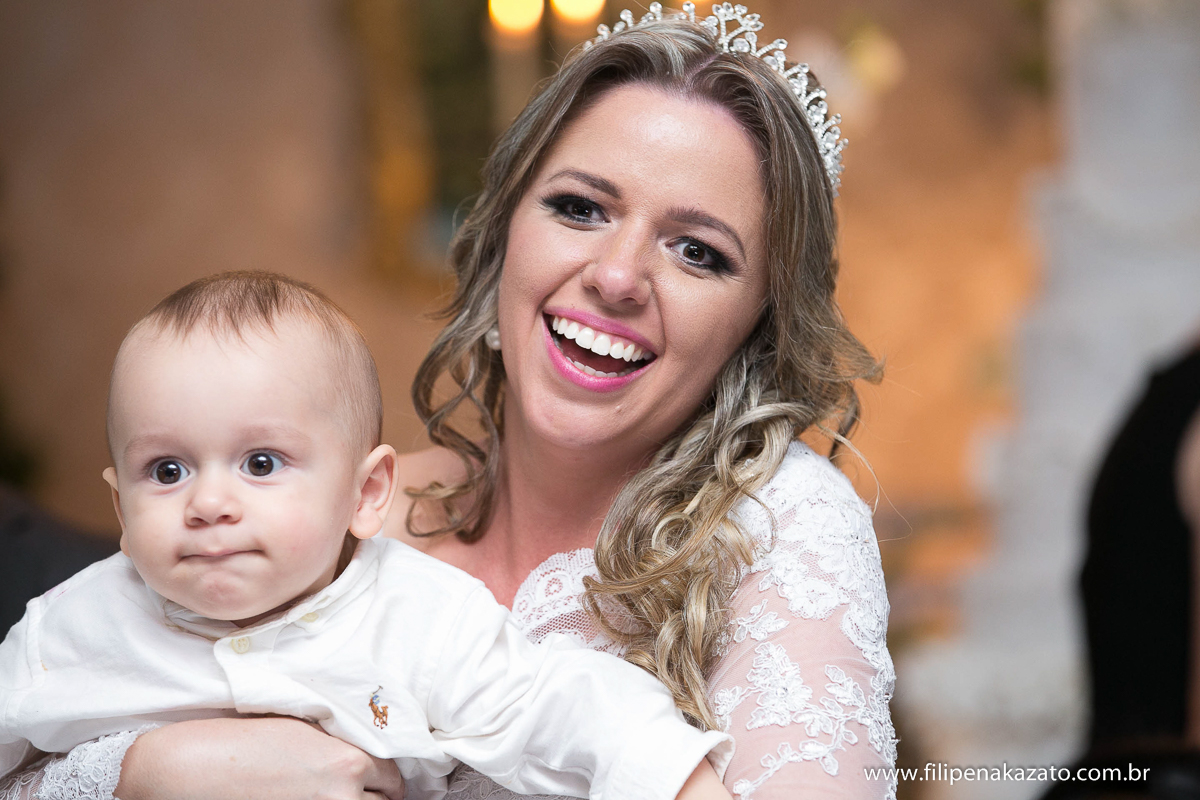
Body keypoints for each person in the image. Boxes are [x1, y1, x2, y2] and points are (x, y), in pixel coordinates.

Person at [2, 3, 897, 799]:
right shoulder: (334, 526)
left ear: (758, 323)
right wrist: (150, 774)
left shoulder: (780, 526)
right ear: (504, 232)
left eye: (698, 252)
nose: (618, 276)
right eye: (581, 208)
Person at [0, 272, 734, 800]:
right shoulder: (67, 631)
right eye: (167, 471)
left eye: (261, 464)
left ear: (366, 493)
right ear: (121, 509)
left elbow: (556, 703)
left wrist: (678, 780)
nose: (209, 502)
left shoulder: (420, 616)